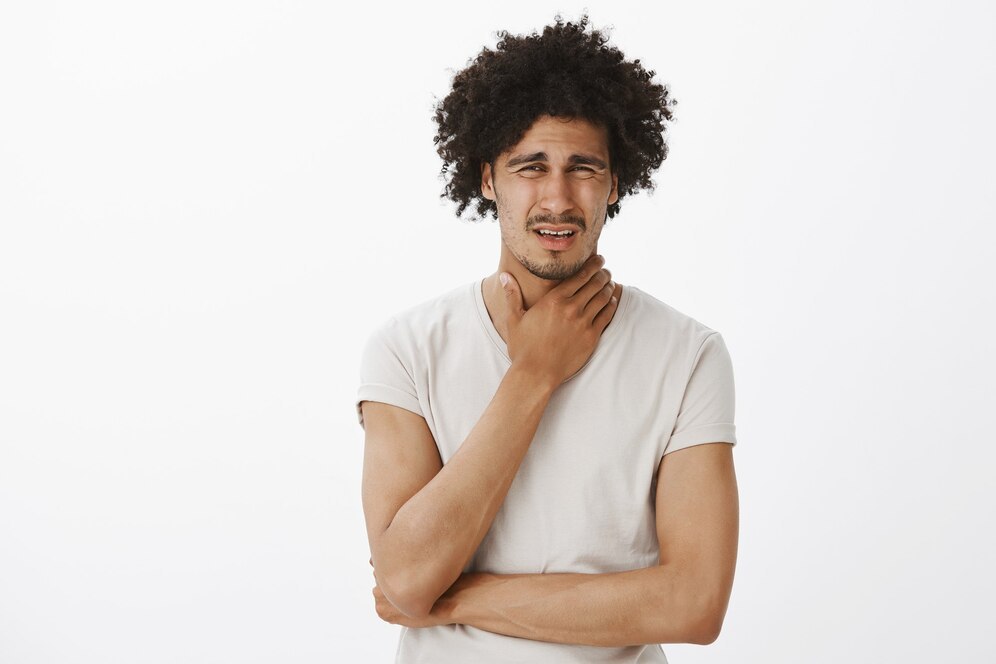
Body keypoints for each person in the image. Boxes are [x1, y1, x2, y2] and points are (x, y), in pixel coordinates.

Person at [356, 15, 739, 663]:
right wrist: (533, 374)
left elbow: (693, 606)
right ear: (488, 180)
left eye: (583, 168)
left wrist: (457, 600)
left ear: (614, 184)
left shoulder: (689, 355)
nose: (557, 198)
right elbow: (408, 574)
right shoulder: (407, 348)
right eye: (530, 166)